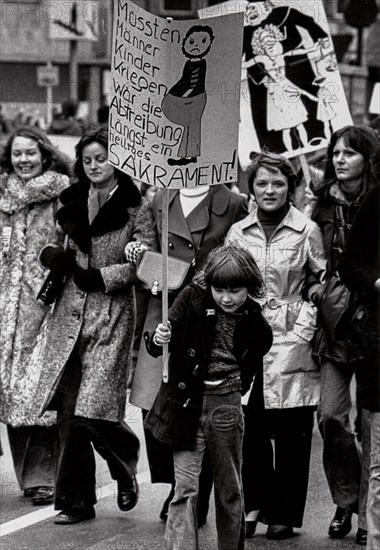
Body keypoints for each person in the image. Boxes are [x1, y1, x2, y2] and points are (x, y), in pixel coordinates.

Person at [32, 127, 157, 524]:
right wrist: (52, 254)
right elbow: (48, 242)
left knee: (93, 408)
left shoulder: (137, 205)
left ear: (116, 158)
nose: (94, 165)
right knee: (70, 412)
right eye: (87, 160)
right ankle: (76, 501)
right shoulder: (70, 199)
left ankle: (124, 462)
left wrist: (105, 276)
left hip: (111, 313)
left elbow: (144, 257)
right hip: (68, 311)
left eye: (101, 157)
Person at [129, 183, 248, 524]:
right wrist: (143, 262)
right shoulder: (162, 197)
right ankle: (178, 487)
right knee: (159, 401)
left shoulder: (232, 202)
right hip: (163, 305)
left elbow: (237, 259)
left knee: (200, 408)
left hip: (207, 312)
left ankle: (195, 496)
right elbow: (150, 245)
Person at [144, 244, 272, 550]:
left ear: (249, 287)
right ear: (209, 284)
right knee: (185, 488)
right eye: (219, 289)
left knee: (229, 488)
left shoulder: (255, 321)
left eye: (235, 290)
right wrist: (161, 337)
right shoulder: (191, 298)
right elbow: (162, 339)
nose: (226, 298)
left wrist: (237, 388)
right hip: (187, 404)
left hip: (226, 404)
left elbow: (254, 358)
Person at [226, 152, 326, 540]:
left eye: (279, 183)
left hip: (292, 338)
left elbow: (321, 278)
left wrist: (306, 320)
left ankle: (283, 513)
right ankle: (253, 504)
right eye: (262, 183)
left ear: (291, 188)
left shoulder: (307, 230)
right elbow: (228, 277)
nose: (270, 190)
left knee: (291, 431)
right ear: (251, 188)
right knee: (249, 427)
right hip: (249, 337)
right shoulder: (238, 232)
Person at [311, 125, 378, 544]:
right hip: (335, 322)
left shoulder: (378, 200)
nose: (339, 160)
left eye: (349, 153)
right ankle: (345, 500)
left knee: (372, 425)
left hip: (372, 322)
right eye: (335, 152)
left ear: (367, 158)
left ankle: (370, 516)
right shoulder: (318, 206)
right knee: (332, 416)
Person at [0, 126, 70, 505]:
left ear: (44, 155)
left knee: (40, 393)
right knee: (11, 394)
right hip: (4, 312)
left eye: (30, 153)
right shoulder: (2, 196)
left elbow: (71, 246)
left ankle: (48, 475)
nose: (23, 160)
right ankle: (29, 478)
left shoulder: (61, 196)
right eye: (17, 154)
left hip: (46, 307)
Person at [338, 144, 380, 550]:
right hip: (373, 335)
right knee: (378, 451)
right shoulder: (376, 200)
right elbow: (350, 263)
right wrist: (377, 283)